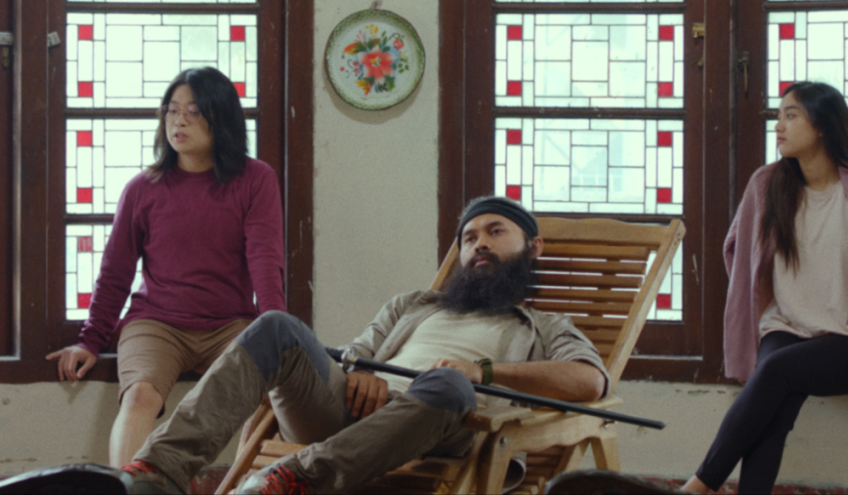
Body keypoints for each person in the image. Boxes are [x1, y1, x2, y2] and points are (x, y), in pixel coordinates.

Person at [108, 196, 609, 495]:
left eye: (496, 232)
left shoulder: (545, 326)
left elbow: (590, 381)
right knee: (276, 326)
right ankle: (157, 473)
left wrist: (483, 372)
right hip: (349, 408)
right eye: (469, 237)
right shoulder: (413, 304)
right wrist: (359, 371)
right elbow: (352, 354)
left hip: (438, 422)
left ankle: (293, 479)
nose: (480, 243)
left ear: (533, 247)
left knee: (450, 384)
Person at [682, 82, 848, 495]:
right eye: (779, 116)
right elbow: (741, 259)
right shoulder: (767, 184)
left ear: (823, 125)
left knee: (775, 372)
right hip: (786, 327)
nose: (779, 126)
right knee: (776, 402)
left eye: (791, 116)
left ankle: (699, 486)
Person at [46, 67, 287, 467]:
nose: (179, 121)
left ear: (222, 118)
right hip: (156, 323)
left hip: (230, 324)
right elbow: (115, 272)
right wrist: (90, 340)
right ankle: (129, 488)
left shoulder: (255, 179)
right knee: (139, 396)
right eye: (172, 111)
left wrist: (276, 331)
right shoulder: (142, 189)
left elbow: (266, 259)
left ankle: (251, 489)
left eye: (194, 112)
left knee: (270, 397)